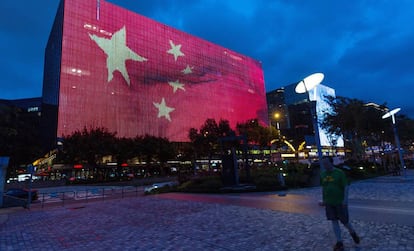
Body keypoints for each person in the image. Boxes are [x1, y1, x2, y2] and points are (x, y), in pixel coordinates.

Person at [320, 156, 360, 250]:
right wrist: (324, 200)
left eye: (326, 163)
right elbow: (323, 188)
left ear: (331, 162)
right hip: (329, 202)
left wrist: (345, 199)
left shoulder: (339, 173)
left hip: (340, 201)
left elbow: (345, 186)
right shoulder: (323, 174)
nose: (325, 165)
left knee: (345, 221)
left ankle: (352, 232)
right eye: (323, 163)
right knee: (334, 221)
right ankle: (339, 241)